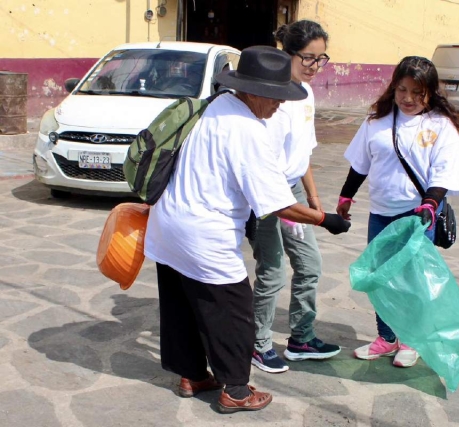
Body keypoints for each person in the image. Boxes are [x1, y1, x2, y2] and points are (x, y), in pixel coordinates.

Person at [143, 45, 350, 414]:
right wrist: (325, 220)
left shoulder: (214, 105)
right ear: (253, 91)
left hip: (167, 222)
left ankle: (192, 375)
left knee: (182, 304)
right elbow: (278, 204)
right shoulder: (248, 130)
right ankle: (236, 391)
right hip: (204, 233)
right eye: (275, 97)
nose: (279, 105)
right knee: (235, 310)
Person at [335, 56, 459, 368]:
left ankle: (410, 339)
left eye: (417, 92)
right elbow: (360, 165)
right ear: (393, 88)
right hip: (380, 213)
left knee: (412, 279)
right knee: (380, 278)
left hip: (417, 215)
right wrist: (346, 196)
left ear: (430, 93)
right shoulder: (375, 122)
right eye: (402, 90)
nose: (408, 98)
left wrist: (430, 205)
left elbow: (443, 174)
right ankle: (386, 337)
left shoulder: (440, 127)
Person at [250, 20, 339, 374]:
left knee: (310, 265)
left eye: (321, 59)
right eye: (308, 59)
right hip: (268, 193)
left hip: (295, 190)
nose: (315, 67)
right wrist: (294, 210)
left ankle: (301, 338)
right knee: (271, 271)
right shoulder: (269, 97)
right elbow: (263, 162)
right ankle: (258, 344)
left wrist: (314, 198)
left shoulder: (307, 94)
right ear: (285, 54)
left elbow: (304, 153)